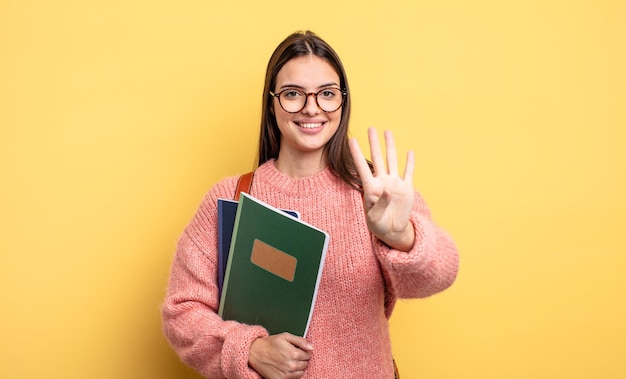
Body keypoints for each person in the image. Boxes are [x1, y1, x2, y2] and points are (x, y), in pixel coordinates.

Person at [161, 30, 459, 379]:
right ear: (272, 104)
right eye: (292, 94)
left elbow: (440, 274)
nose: (311, 107)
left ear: (343, 102)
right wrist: (249, 349)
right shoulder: (228, 197)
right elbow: (181, 312)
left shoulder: (376, 193)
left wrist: (402, 236)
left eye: (327, 94)